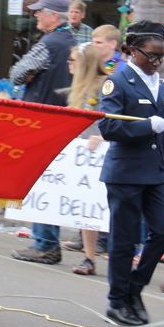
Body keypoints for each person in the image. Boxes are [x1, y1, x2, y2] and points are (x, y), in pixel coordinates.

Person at [96, 20, 164, 327]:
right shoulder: (117, 82)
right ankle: (117, 301)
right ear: (131, 51)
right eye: (152, 55)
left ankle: (134, 288)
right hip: (126, 172)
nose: (158, 62)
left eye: (163, 56)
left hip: (156, 172)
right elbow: (107, 127)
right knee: (124, 240)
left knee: (162, 231)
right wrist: (145, 126)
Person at [10, 0, 76, 265]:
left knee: (38, 182)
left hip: (39, 120)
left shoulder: (47, 43)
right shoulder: (72, 42)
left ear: (52, 15)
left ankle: (46, 244)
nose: (35, 15)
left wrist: (29, 75)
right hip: (62, 120)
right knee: (51, 183)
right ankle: (48, 242)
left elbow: (16, 74)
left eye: (40, 11)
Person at [64, 43, 109, 276]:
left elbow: (116, 117)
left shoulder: (106, 85)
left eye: (73, 59)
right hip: (84, 156)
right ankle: (89, 258)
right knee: (86, 207)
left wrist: (102, 136)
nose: (69, 63)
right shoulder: (79, 86)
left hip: (103, 153)